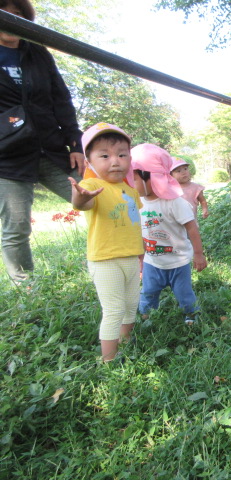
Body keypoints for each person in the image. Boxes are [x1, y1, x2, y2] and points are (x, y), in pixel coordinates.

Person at [0, 0, 84, 284]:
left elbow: (61, 98)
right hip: (8, 157)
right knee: (17, 228)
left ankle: (128, 261)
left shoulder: (38, 53)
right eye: (5, 14)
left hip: (52, 149)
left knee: (97, 198)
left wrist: (76, 144)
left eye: (18, 15)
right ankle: (28, 295)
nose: (11, 20)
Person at [68, 123, 143, 362]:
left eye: (122, 155)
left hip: (131, 258)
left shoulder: (129, 190)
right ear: (89, 161)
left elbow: (134, 223)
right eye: (104, 155)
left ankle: (126, 342)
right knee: (114, 310)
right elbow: (82, 203)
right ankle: (109, 361)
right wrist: (80, 196)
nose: (115, 161)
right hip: (105, 260)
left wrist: (141, 253)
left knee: (132, 304)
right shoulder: (91, 186)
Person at [131, 144, 207, 326]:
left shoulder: (174, 202)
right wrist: (140, 260)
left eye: (133, 179)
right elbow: (139, 232)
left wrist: (198, 254)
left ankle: (191, 315)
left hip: (178, 261)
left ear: (152, 178)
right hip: (152, 262)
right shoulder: (137, 203)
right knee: (148, 292)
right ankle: (146, 318)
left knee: (184, 293)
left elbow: (192, 228)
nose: (130, 185)